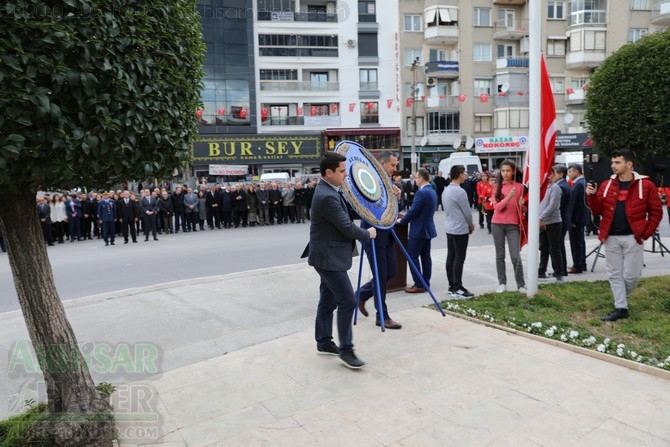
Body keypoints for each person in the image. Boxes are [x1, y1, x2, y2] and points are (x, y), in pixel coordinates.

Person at [308, 152, 376, 369]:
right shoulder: (326, 196)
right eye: (342, 171)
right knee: (347, 300)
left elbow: (349, 212)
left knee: (327, 299)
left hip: (325, 255)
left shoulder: (329, 189)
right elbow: (347, 227)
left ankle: (324, 341)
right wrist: (368, 234)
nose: (346, 175)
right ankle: (346, 350)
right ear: (329, 173)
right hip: (328, 258)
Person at [586, 150, 663, 321]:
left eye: (617, 162)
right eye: (612, 162)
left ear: (629, 164)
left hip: (633, 237)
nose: (613, 165)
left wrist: (645, 233)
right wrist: (591, 197)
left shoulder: (646, 185)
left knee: (632, 275)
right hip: (610, 236)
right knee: (614, 274)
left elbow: (656, 213)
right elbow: (598, 210)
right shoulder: (606, 185)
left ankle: (619, 297)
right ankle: (621, 307)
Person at [357, 151, 403, 330]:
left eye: (396, 165)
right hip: (374, 235)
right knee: (381, 276)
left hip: (388, 235)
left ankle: (360, 295)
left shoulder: (388, 182)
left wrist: (396, 197)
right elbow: (369, 206)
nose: (395, 169)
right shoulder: (370, 180)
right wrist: (388, 196)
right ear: (382, 163)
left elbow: (391, 211)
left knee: (391, 272)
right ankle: (382, 316)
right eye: (392, 165)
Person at [398, 168, 438, 293]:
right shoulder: (431, 191)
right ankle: (425, 282)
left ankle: (419, 284)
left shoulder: (421, 193)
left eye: (416, 177)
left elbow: (413, 210)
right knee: (426, 256)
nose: (415, 179)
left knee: (412, 256)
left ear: (421, 178)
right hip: (428, 229)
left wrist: (402, 221)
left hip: (419, 230)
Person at [491, 160, 526, 293]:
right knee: (500, 255)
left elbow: (523, 210)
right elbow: (497, 207)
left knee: (515, 256)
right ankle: (502, 283)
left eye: (508, 171)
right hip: (497, 224)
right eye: (503, 171)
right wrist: (509, 196)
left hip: (513, 225)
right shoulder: (496, 187)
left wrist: (522, 205)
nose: (505, 173)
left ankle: (521, 284)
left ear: (513, 172)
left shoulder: (519, 187)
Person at [443, 165, 475, 298]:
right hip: (460, 228)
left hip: (449, 227)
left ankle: (451, 285)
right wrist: (470, 224)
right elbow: (467, 211)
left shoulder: (446, 190)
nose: (465, 176)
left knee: (451, 256)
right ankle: (458, 287)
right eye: (464, 173)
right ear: (460, 174)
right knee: (459, 258)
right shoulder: (460, 192)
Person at [537, 170, 565, 283]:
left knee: (554, 248)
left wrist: (541, 218)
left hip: (553, 222)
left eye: (549, 174)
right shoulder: (540, 188)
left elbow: (552, 206)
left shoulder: (555, 188)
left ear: (553, 175)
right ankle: (541, 271)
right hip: (541, 222)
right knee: (543, 248)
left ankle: (559, 273)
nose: (547, 176)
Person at [567, 164, 588, 273]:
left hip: (577, 219)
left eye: (570, 171)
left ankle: (578, 265)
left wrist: (573, 220)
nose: (569, 174)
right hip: (579, 218)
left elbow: (577, 204)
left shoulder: (579, 184)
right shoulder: (580, 183)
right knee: (579, 241)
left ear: (577, 172)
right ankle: (581, 263)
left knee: (576, 243)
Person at [554, 164, 571, 277]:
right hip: (561, 219)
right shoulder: (561, 185)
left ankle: (561, 270)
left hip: (560, 220)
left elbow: (558, 206)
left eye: (554, 173)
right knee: (558, 246)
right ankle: (559, 269)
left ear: (561, 174)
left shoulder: (562, 187)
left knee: (558, 246)